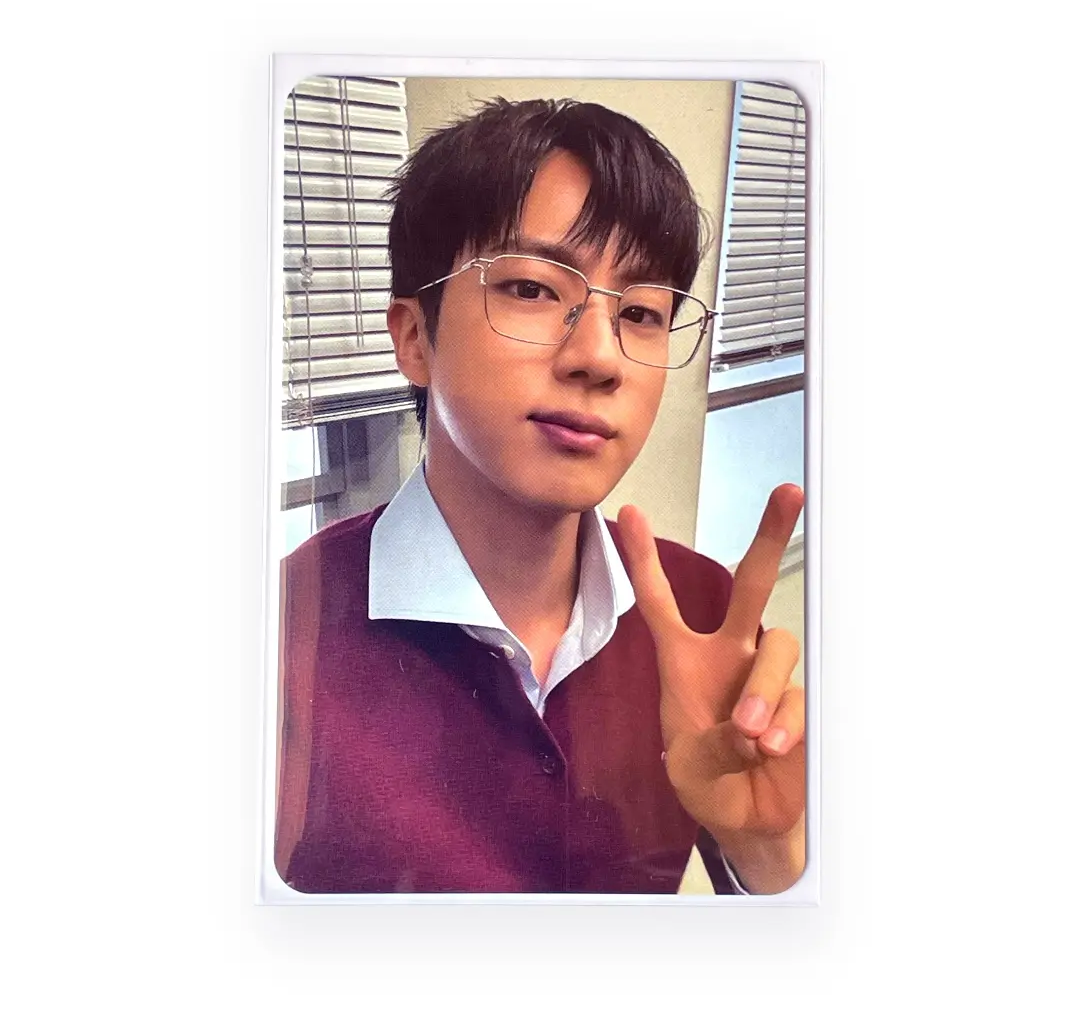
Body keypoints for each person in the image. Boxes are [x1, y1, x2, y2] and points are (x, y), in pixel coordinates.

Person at [275, 97, 805, 894]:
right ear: (415, 337)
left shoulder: (701, 610)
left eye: (641, 312)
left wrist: (766, 849)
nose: (601, 358)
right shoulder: (282, 636)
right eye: (530, 288)